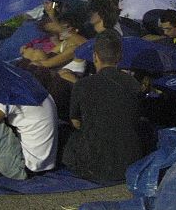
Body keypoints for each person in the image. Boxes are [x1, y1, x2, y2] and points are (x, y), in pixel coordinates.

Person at [62, 30, 150, 183]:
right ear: (119, 57)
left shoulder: (82, 85)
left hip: (94, 165)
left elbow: (76, 122)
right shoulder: (133, 83)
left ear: (95, 56)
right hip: (129, 162)